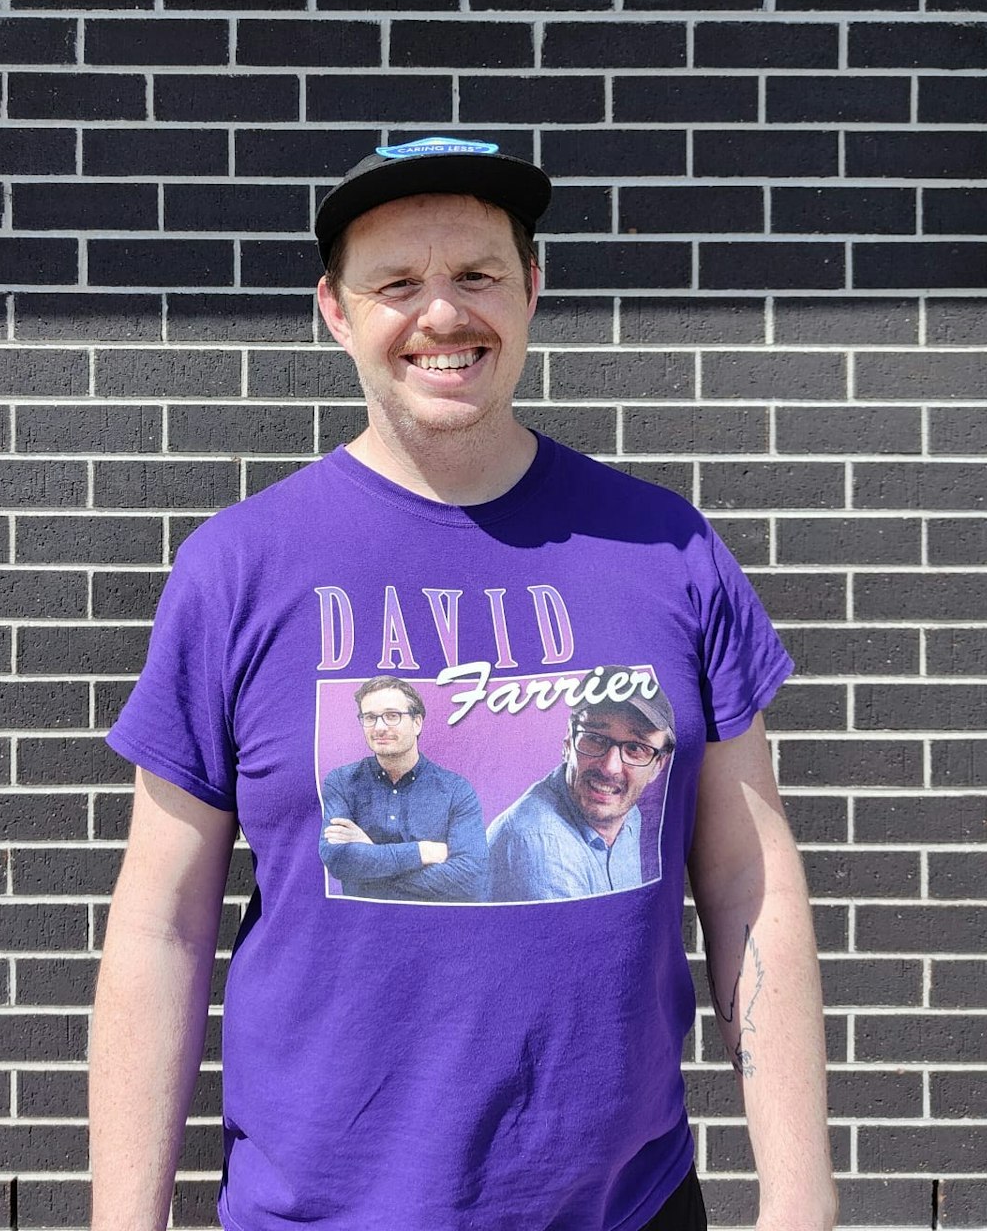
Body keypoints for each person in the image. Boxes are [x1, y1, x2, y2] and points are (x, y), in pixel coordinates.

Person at [91, 136, 835, 1231]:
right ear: (335, 312)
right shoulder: (240, 570)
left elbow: (746, 877)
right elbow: (160, 921)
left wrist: (802, 1198)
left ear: (532, 287)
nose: (442, 314)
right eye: (396, 283)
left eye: (477, 275)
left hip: (623, 1207)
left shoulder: (666, 550)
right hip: (320, 1215)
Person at [486, 668, 674, 902]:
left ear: (658, 765)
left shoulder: (628, 814)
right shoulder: (537, 844)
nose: (610, 767)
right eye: (595, 738)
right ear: (568, 740)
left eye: (635, 748)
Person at [318, 674, 487, 902]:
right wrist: (422, 851)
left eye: (392, 716)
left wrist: (370, 860)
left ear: (417, 723)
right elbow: (337, 859)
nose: (379, 727)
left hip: (432, 922)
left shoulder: (456, 791)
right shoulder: (342, 782)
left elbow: (470, 880)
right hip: (365, 921)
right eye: (370, 717)